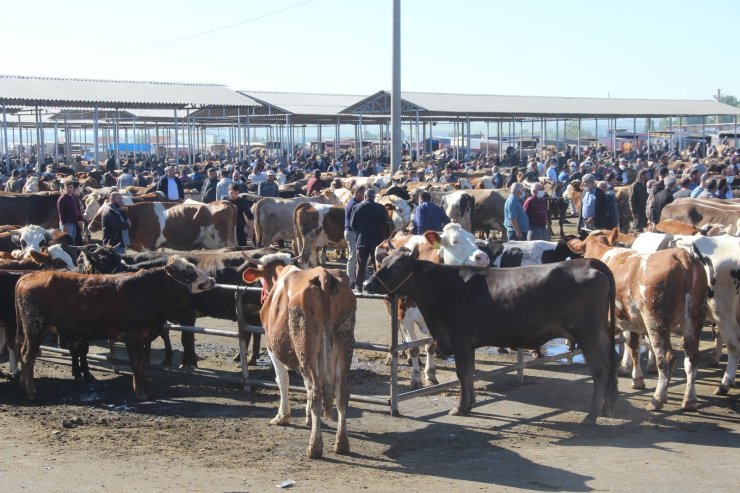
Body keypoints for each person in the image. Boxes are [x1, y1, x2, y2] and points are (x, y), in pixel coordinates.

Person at [350, 188, 388, 292]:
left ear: (365, 196)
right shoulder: (380, 208)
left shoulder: (356, 207)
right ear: (374, 197)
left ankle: (358, 287)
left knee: (361, 265)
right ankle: (377, 287)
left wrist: (360, 232)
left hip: (362, 240)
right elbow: (384, 222)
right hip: (377, 241)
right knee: (377, 265)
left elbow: (353, 225)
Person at [344, 186, 365, 290]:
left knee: (353, 255)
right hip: (352, 232)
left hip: (350, 232)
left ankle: (352, 278)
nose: (364, 196)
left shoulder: (352, 202)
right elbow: (354, 223)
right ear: (358, 194)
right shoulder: (354, 205)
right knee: (352, 256)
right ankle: (350, 280)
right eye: (363, 194)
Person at [57, 177, 84, 244]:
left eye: (71, 187)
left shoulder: (73, 198)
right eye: (68, 188)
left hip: (74, 223)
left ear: (73, 188)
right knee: (67, 242)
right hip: (67, 224)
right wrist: (64, 225)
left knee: (72, 241)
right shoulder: (62, 199)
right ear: (64, 188)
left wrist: (80, 219)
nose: (70, 189)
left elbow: (77, 210)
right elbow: (61, 213)